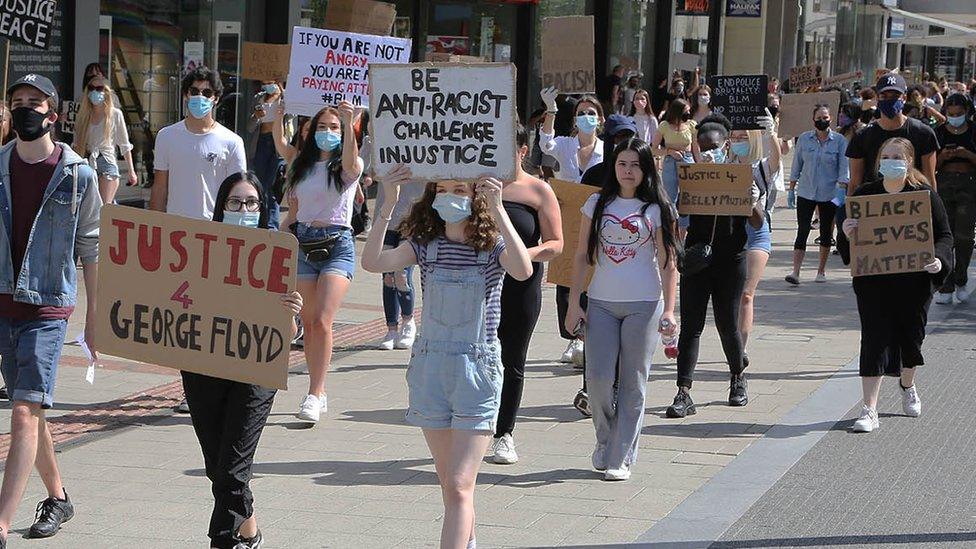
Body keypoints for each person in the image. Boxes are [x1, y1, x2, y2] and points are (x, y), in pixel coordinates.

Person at [361, 165, 532, 549]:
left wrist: (500, 209)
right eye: (442, 188)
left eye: (460, 188)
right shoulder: (425, 244)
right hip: (431, 370)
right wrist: (387, 204)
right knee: (451, 486)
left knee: (458, 485)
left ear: (475, 196)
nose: (451, 195)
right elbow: (371, 263)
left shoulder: (491, 248)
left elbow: (523, 270)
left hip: (477, 371)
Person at [0, 74, 101, 546]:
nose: (25, 109)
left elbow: (91, 248)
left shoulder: (78, 175)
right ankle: (58, 497)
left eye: (34, 102)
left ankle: (0, 522)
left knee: (22, 411)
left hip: (47, 306)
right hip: (2, 302)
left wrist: (95, 319)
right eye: (17, 102)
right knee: (32, 408)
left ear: (53, 115)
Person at [184, 171, 302, 549]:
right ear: (221, 207)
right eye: (235, 202)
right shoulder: (198, 250)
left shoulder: (277, 253)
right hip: (204, 369)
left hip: (255, 371)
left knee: (232, 473)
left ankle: (223, 540)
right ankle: (250, 533)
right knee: (218, 468)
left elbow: (292, 332)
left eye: (251, 202)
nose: (243, 209)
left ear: (262, 207)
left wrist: (291, 316)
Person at [565, 138, 678, 480]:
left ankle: (621, 455)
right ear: (613, 167)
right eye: (622, 164)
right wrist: (574, 303)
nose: (628, 171)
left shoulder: (657, 209)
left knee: (633, 382)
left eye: (635, 165)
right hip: (600, 303)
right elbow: (582, 256)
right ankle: (606, 439)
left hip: (644, 305)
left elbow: (668, 262)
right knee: (597, 379)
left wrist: (671, 310)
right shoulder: (596, 203)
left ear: (646, 170)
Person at [665, 112, 774, 419]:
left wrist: (752, 198)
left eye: (714, 146)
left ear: (726, 146)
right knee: (692, 327)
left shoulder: (741, 175)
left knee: (728, 323)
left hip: (731, 259)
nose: (709, 151)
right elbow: (680, 219)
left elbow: (755, 221)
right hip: (699, 258)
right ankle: (683, 391)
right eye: (703, 146)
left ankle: (738, 377)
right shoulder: (692, 176)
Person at [151, 66, 247, 414]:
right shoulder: (167, 137)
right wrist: (154, 232)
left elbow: (241, 194)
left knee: (215, 315)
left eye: (207, 93)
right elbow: (159, 189)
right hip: (178, 243)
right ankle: (191, 389)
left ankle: (215, 383)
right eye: (194, 91)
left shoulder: (230, 142)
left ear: (217, 99)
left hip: (218, 240)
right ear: (185, 95)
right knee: (184, 317)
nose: (200, 98)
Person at [841, 138, 952, 433]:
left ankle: (907, 383)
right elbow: (848, 243)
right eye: (885, 155)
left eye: (896, 156)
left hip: (914, 284)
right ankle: (869, 409)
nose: (890, 160)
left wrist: (939, 260)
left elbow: (944, 236)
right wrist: (845, 230)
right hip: (874, 283)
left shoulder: (924, 196)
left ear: (908, 162)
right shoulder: (866, 195)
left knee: (911, 340)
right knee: (874, 339)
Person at [280, 101, 363, 424]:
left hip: (337, 245)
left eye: (334, 129)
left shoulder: (346, 166)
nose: (327, 133)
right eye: (322, 127)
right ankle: (317, 390)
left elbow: (352, 165)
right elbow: (292, 215)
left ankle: (316, 392)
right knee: (310, 322)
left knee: (325, 320)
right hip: (303, 243)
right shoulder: (300, 166)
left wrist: (348, 120)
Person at [490, 124, 564, 465]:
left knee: (512, 359)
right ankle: (473, 425)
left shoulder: (538, 191)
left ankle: (504, 433)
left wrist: (522, 255)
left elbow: (556, 243)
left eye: (508, 146)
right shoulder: (479, 186)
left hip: (521, 284)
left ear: (523, 150)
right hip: (483, 285)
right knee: (478, 356)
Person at [841, 73, 939, 267]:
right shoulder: (863, 136)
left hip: (912, 210)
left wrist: (933, 216)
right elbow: (854, 182)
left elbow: (929, 179)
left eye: (895, 96)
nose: (889, 100)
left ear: (904, 98)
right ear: (877, 98)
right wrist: (849, 216)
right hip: (875, 210)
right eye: (884, 96)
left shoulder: (923, 133)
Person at [538, 89, 604, 365]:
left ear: (600, 119)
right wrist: (551, 109)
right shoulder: (566, 144)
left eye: (591, 113)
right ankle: (573, 336)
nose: (586, 118)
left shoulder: (607, 149)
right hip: (567, 215)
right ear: (574, 119)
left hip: (597, 218)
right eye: (581, 114)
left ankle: (588, 338)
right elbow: (545, 143)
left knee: (591, 277)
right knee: (565, 277)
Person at [786, 104, 849, 284]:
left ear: (831, 118)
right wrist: (791, 188)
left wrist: (842, 189)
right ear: (813, 120)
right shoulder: (804, 139)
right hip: (806, 191)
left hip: (830, 194)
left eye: (826, 117)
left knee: (826, 231)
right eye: (819, 118)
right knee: (803, 230)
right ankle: (795, 272)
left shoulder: (839, 141)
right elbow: (797, 164)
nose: (822, 121)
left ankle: (821, 271)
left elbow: (844, 167)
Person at [373, 172, 424, 350]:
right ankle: (391, 329)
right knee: (388, 277)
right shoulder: (379, 144)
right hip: (387, 217)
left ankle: (408, 321)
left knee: (402, 274)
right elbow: (370, 170)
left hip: (412, 217)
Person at [933, 93, 976, 304]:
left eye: (959, 114)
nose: (955, 117)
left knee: (965, 236)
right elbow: (930, 163)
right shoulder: (939, 132)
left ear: (967, 112)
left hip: (969, 183)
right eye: (951, 114)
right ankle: (946, 285)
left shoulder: (973, 131)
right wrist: (943, 157)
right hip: (944, 183)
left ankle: (961, 278)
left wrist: (968, 154)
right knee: (945, 235)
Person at [70, 75, 137, 205]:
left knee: (103, 207)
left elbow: (124, 145)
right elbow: (77, 144)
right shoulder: (83, 115)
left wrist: (131, 171)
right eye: (91, 88)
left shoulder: (115, 114)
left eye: (99, 88)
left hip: (106, 161)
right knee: (90, 207)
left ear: (106, 91)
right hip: (87, 163)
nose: (95, 92)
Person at [651, 98, 698, 230]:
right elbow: (653, 148)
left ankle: (684, 229)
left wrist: (699, 164)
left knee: (686, 198)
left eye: (689, 111)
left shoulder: (692, 125)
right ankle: (668, 228)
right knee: (669, 197)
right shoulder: (664, 126)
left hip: (687, 160)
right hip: (670, 161)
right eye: (685, 112)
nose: (687, 114)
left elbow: (695, 147)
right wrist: (669, 151)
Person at [247, 80, 284, 229]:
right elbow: (250, 127)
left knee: (272, 185)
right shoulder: (259, 98)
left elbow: (293, 114)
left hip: (276, 144)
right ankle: (260, 219)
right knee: (260, 184)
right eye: (265, 82)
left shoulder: (285, 98)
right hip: (261, 142)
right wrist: (256, 116)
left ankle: (272, 224)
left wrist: (284, 92)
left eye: (271, 82)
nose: (268, 84)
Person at [581, 114, 637, 186]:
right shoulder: (593, 175)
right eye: (619, 136)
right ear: (608, 140)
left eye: (629, 136)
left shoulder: (643, 174)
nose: (624, 142)